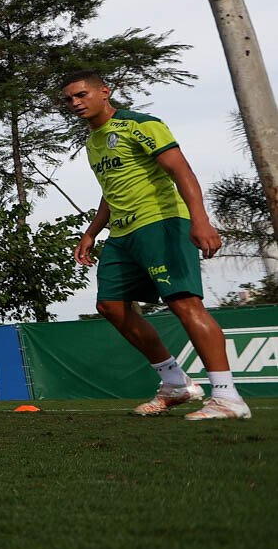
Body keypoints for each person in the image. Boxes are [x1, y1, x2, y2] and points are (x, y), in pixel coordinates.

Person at [62, 71, 250, 420]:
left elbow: (181, 170)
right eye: (69, 99)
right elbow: (111, 190)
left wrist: (201, 219)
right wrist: (91, 233)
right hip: (122, 234)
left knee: (184, 304)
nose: (75, 103)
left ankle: (227, 397)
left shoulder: (141, 125)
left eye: (81, 94)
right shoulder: (92, 143)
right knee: (110, 306)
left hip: (162, 223)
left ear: (105, 92)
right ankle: (175, 382)